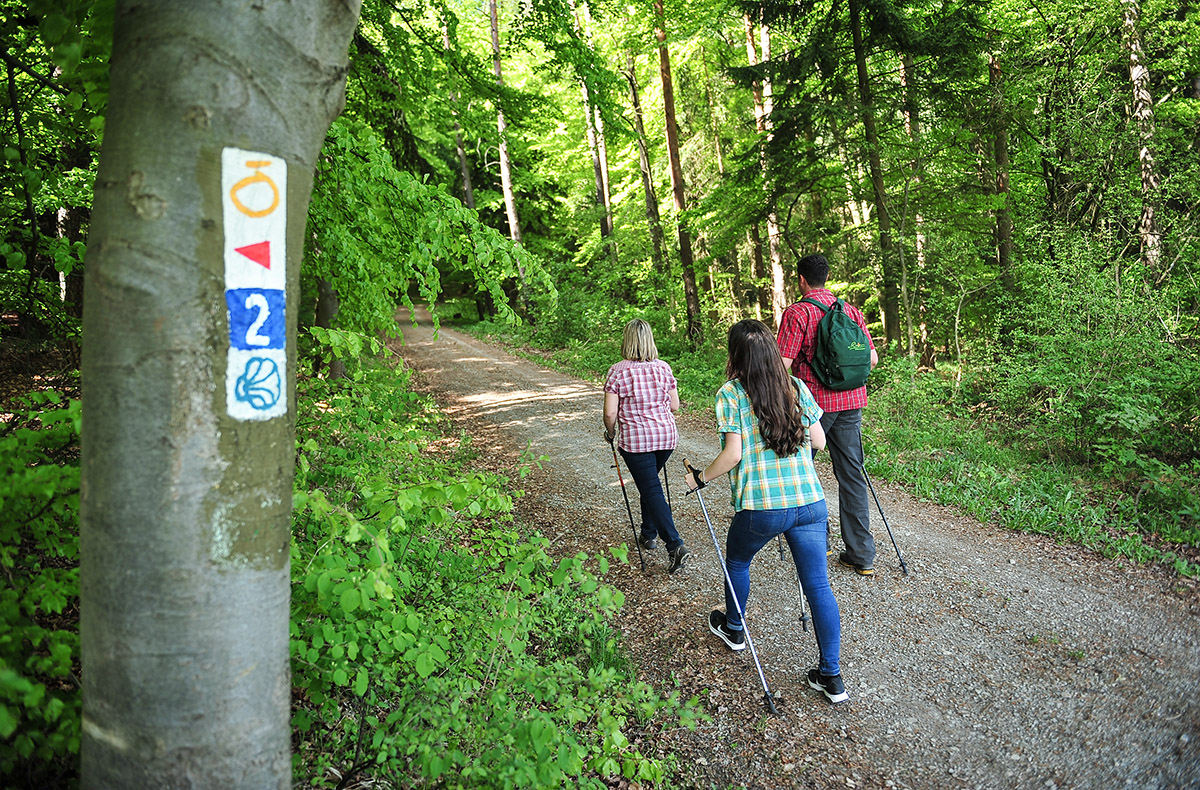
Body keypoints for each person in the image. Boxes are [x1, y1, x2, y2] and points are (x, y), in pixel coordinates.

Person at [684, 319, 848, 704]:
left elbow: (733, 454)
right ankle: (832, 676)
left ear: (736, 355)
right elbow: (819, 442)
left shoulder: (731, 394)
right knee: (818, 585)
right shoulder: (795, 387)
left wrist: (700, 479)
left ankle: (735, 628)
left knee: (737, 562)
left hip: (761, 507)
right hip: (809, 502)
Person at [776, 253, 880, 576]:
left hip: (814, 407)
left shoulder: (797, 313)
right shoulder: (850, 311)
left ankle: (817, 542)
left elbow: (782, 366)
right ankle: (861, 553)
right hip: (852, 402)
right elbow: (872, 359)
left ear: (802, 280)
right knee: (851, 475)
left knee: (803, 472)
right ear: (827, 276)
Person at [603, 319, 690, 573]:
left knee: (650, 488)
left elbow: (610, 413)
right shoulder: (664, 367)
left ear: (627, 340)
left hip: (637, 441)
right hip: (666, 438)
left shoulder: (618, 371)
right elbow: (674, 406)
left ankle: (674, 545)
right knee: (649, 483)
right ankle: (648, 533)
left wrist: (610, 433)